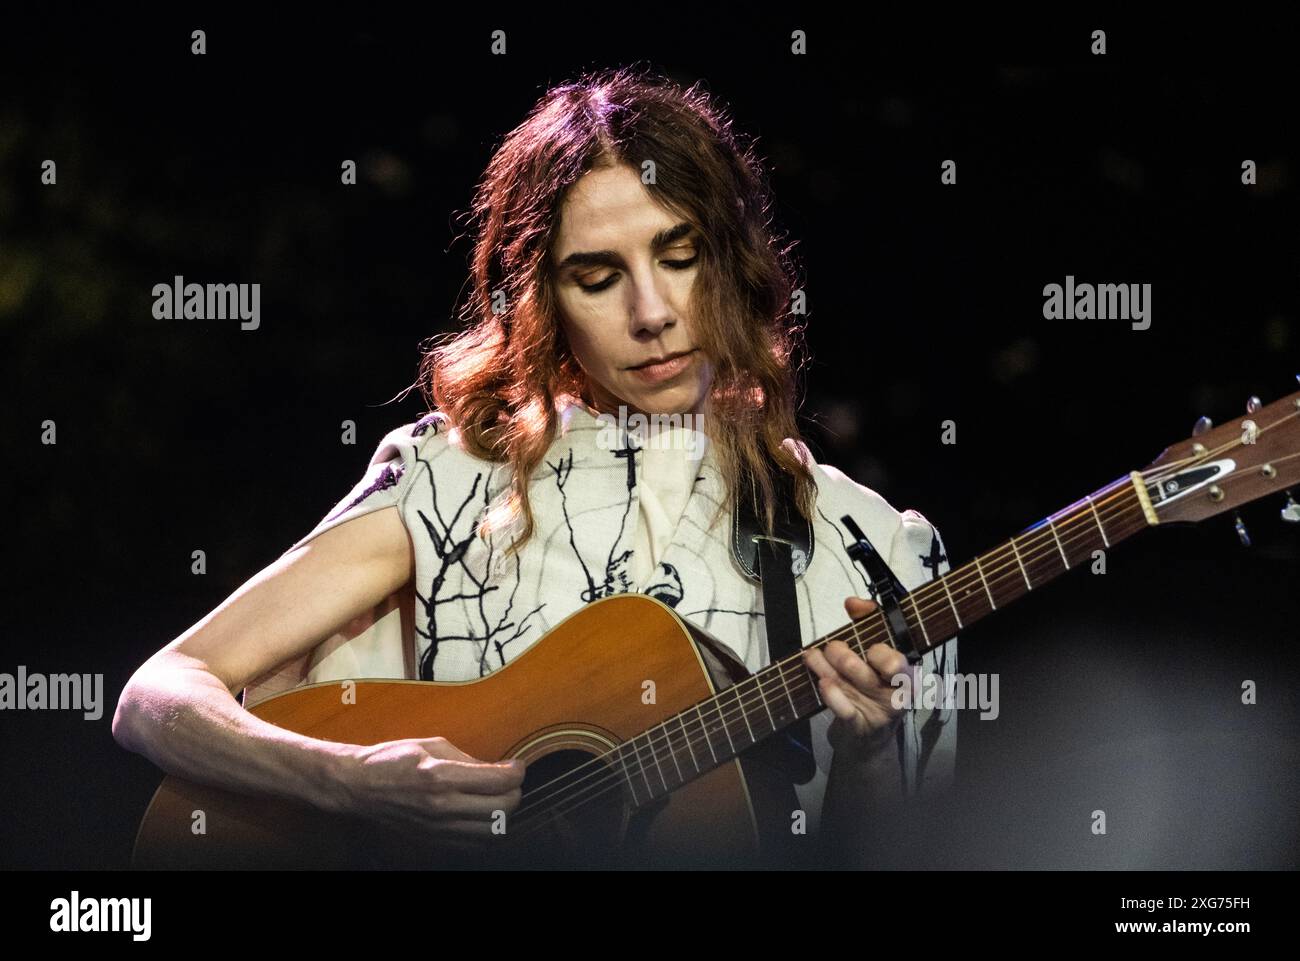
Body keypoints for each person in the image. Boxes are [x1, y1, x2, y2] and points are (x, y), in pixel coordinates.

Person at [113, 65, 957, 869]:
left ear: (735, 260)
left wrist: (870, 753)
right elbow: (158, 693)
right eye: (597, 277)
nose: (652, 313)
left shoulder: (874, 552)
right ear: (542, 302)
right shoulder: (451, 476)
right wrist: (349, 781)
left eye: (680, 254)